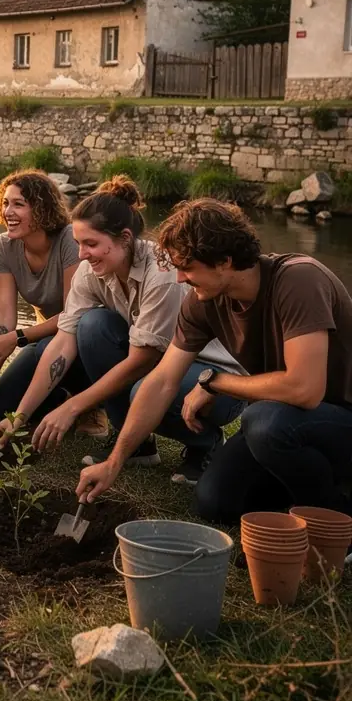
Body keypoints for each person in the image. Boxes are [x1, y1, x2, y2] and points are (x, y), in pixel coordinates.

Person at [78, 199, 352, 521]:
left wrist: (216, 382)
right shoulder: (203, 301)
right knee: (215, 501)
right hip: (288, 423)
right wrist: (114, 462)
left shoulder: (299, 280)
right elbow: (162, 381)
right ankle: (310, 482)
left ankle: (336, 517)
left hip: (338, 416)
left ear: (224, 261)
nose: (180, 279)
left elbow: (304, 389)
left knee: (263, 421)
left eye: (188, 267)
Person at [0, 176, 244, 484]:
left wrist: (73, 406)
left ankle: (206, 443)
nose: (82, 255)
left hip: (213, 377)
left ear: (125, 238)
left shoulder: (162, 274)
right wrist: (20, 416)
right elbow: (63, 342)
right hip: (164, 366)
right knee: (92, 326)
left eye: (91, 244)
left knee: (142, 390)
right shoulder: (90, 270)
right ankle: (138, 445)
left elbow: (142, 361)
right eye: (78, 244)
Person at [0, 170, 108, 439]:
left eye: (18, 204)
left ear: (42, 208)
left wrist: (17, 337)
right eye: (5, 203)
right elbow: (3, 312)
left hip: (84, 337)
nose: (8, 211)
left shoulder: (70, 241)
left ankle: (92, 405)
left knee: (47, 347)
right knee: (1, 409)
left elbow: (72, 313)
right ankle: (61, 402)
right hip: (43, 337)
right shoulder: (4, 247)